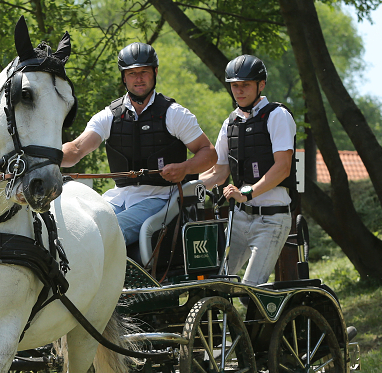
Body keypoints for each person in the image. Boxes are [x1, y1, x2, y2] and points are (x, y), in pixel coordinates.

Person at [62, 42, 216, 246]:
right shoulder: (109, 116)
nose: (139, 78)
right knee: (78, 225)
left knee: (110, 230)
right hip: (118, 198)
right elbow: (76, 149)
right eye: (132, 73)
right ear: (124, 77)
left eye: (144, 72)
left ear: (155, 72)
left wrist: (185, 168)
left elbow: (209, 153)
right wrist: (48, 156)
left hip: (162, 200)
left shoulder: (174, 114)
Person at [199, 54, 297, 286]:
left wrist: (248, 192)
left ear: (261, 85)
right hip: (240, 218)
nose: (239, 91)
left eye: (245, 85)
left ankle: (259, 320)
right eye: (235, 86)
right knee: (217, 284)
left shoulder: (277, 116)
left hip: (273, 219)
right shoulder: (230, 123)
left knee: (250, 289)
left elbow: (283, 168)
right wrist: (185, 186)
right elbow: (219, 173)